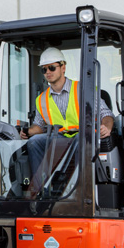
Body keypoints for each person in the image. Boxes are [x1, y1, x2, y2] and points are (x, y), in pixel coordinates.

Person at [19, 47, 114, 175]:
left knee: (79, 140)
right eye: (44, 69)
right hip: (60, 138)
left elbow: (106, 114)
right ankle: (41, 187)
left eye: (52, 67)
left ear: (63, 67)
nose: (48, 72)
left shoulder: (83, 90)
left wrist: (106, 127)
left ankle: (76, 185)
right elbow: (40, 126)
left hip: (85, 136)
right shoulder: (41, 99)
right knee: (33, 142)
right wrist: (28, 131)